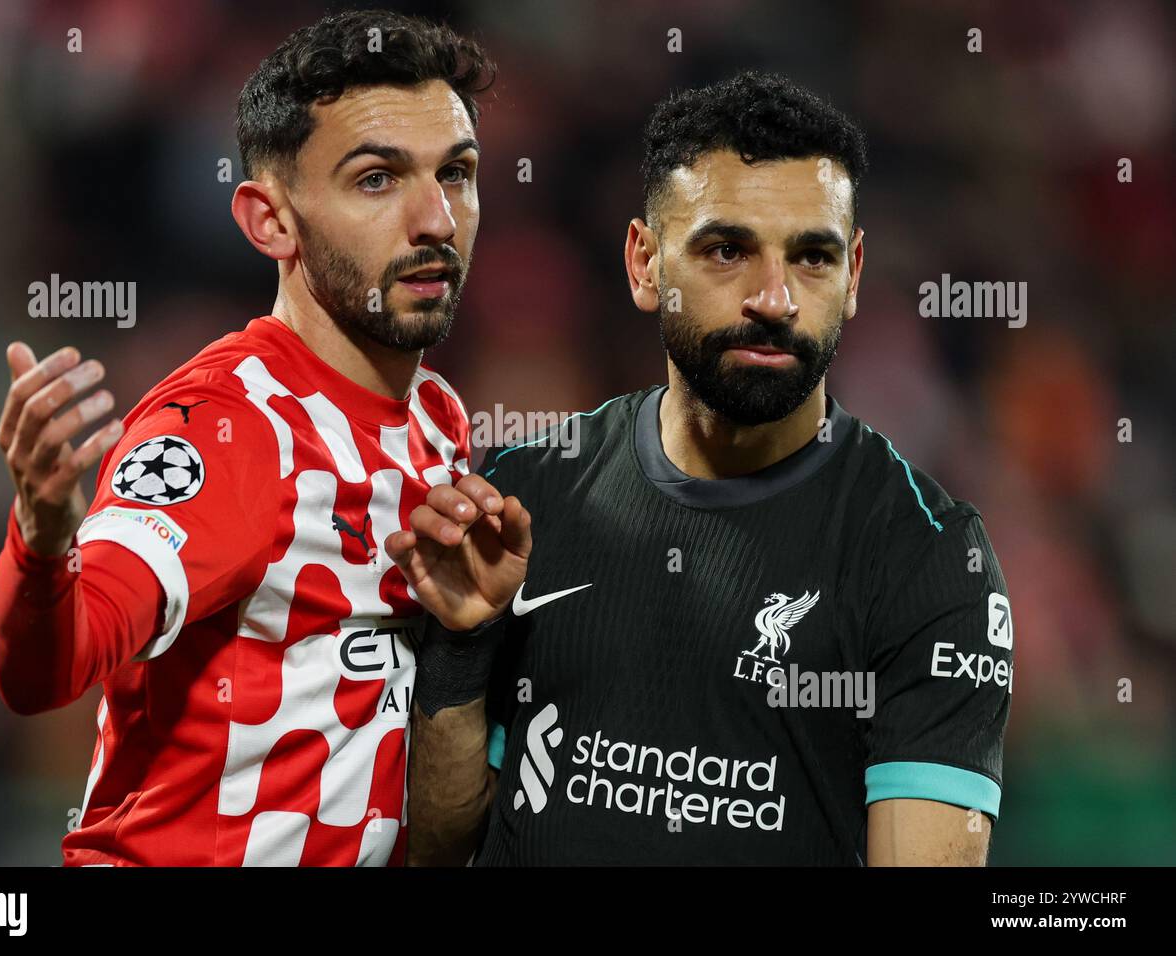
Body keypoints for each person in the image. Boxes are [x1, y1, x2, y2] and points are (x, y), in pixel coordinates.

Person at [395, 71, 1012, 866]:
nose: (774, 298)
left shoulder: (927, 559)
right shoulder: (527, 495)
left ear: (853, 277)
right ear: (645, 264)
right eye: (727, 250)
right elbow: (439, 848)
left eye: (813, 257)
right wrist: (462, 644)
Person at [0, 10, 529, 867]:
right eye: (377, 179)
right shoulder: (232, 428)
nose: (436, 218)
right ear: (270, 222)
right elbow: (45, 674)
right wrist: (43, 541)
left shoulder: (438, 417)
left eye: (456, 174)